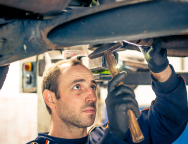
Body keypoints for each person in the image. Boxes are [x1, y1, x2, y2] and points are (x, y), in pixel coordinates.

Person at [27, 38, 188, 144]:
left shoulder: (101, 136)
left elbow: (169, 119)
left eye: (92, 86)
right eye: (77, 86)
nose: (91, 95)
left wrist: (160, 68)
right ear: (51, 98)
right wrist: (115, 133)